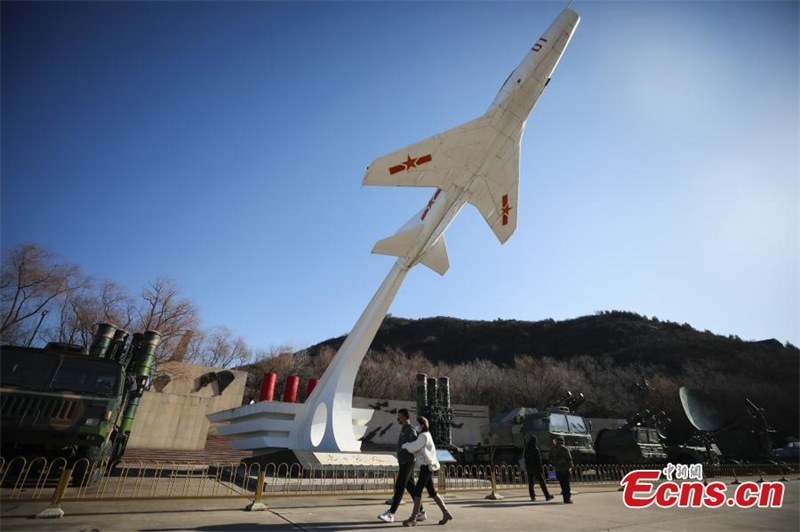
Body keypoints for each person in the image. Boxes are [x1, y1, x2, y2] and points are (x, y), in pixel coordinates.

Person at [401, 416, 453, 527]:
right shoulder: (426, 435)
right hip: (427, 467)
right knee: (432, 492)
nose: (416, 426)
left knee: (417, 492)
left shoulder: (423, 436)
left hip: (426, 467)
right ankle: (446, 513)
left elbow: (414, 447)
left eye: (417, 424)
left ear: (422, 425)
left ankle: (413, 518)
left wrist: (405, 445)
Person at [378, 409, 426, 523]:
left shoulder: (410, 430)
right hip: (404, 462)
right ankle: (421, 512)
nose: (398, 419)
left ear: (405, 417)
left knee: (399, 487)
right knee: (411, 488)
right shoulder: (404, 429)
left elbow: (416, 446)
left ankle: (391, 513)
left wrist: (406, 447)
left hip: (408, 463)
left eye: (400, 416)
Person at [523, 436, 554, 502]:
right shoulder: (535, 449)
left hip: (529, 468)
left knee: (531, 483)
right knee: (542, 482)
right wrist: (541, 469)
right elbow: (538, 460)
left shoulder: (527, 448)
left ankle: (532, 497)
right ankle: (547, 495)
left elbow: (525, 457)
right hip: (536, 468)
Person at [549, 436, 574, 504]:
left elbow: (550, 459)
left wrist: (556, 463)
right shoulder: (564, 449)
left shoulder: (553, 449)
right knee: (567, 485)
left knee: (562, 485)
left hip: (558, 469)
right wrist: (570, 467)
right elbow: (570, 459)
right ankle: (567, 499)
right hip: (565, 469)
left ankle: (565, 498)